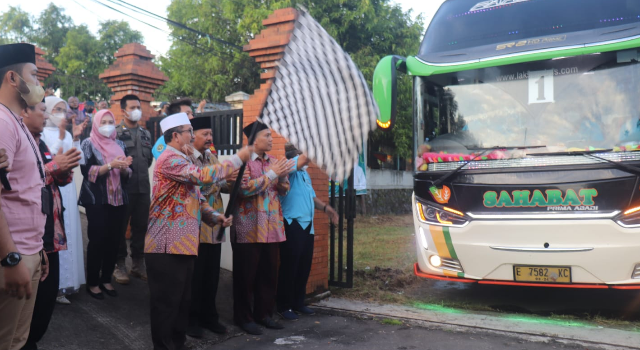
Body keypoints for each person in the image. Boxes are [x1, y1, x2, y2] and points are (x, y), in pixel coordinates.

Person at [145, 112, 249, 350]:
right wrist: (238, 158)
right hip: (165, 245)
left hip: (184, 244)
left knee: (182, 302)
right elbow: (203, 176)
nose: (192, 137)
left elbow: (198, 199)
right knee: (166, 305)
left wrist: (215, 217)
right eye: (189, 132)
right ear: (175, 136)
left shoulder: (184, 160)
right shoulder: (170, 159)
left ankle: (178, 344)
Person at [20, 100, 81, 350]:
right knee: (25, 305)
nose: (46, 115)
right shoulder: (20, 143)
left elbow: (58, 180)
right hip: (29, 238)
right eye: (41, 110)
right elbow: (23, 183)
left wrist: (65, 168)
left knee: (45, 301)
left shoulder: (41, 143)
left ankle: (31, 340)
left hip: (51, 236)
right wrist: (55, 166)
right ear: (24, 113)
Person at [0, 43, 49, 350]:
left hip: (28, 248)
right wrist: (11, 256)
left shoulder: (15, 121)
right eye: (33, 74)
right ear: (12, 79)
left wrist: (38, 248)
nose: (38, 82)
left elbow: (26, 189)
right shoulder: (2, 122)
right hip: (12, 253)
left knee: (18, 340)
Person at [232, 121, 295, 335]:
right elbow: (243, 190)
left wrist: (281, 178)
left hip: (272, 227)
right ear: (254, 140)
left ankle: (264, 314)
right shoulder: (244, 163)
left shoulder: (274, 161)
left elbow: (284, 190)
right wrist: (271, 176)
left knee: (268, 275)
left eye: (271, 135)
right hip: (249, 228)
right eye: (267, 135)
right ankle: (243, 317)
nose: (271, 139)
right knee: (245, 276)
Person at [186, 117, 237, 338]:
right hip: (196, 226)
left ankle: (210, 317)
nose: (209, 138)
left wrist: (232, 180)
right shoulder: (187, 160)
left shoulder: (212, 157)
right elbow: (199, 190)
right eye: (205, 134)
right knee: (195, 277)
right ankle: (192, 320)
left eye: (211, 134)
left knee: (212, 275)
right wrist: (219, 178)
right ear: (192, 136)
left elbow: (221, 187)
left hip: (216, 227)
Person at [277, 143, 338, 321]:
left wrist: (326, 208)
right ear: (295, 156)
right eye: (302, 155)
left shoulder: (305, 174)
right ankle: (284, 305)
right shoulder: (289, 170)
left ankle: (298, 302)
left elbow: (312, 197)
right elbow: (303, 158)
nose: (307, 160)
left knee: (303, 267)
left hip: (307, 226)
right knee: (290, 267)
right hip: (292, 223)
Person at [78, 109, 133, 300]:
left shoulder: (119, 143)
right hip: (97, 199)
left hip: (119, 199)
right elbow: (86, 171)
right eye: (104, 121)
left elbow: (128, 173)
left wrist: (125, 167)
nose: (108, 125)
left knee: (114, 240)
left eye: (111, 121)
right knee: (97, 240)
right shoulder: (88, 143)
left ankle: (106, 278)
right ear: (96, 123)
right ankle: (93, 282)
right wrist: (110, 166)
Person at [42, 96, 87, 305]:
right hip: (50, 187)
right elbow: (51, 161)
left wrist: (75, 138)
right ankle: (52, 285)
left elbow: (77, 160)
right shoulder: (40, 132)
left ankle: (66, 284)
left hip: (67, 186)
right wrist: (61, 137)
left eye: (63, 109)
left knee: (69, 230)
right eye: (56, 109)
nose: (61, 113)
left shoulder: (68, 133)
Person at [113, 94, 154, 284]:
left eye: (139, 106)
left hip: (143, 188)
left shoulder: (146, 134)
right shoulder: (115, 133)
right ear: (123, 110)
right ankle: (119, 263)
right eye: (132, 107)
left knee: (141, 226)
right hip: (123, 188)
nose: (137, 110)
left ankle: (138, 263)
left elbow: (148, 161)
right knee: (120, 226)